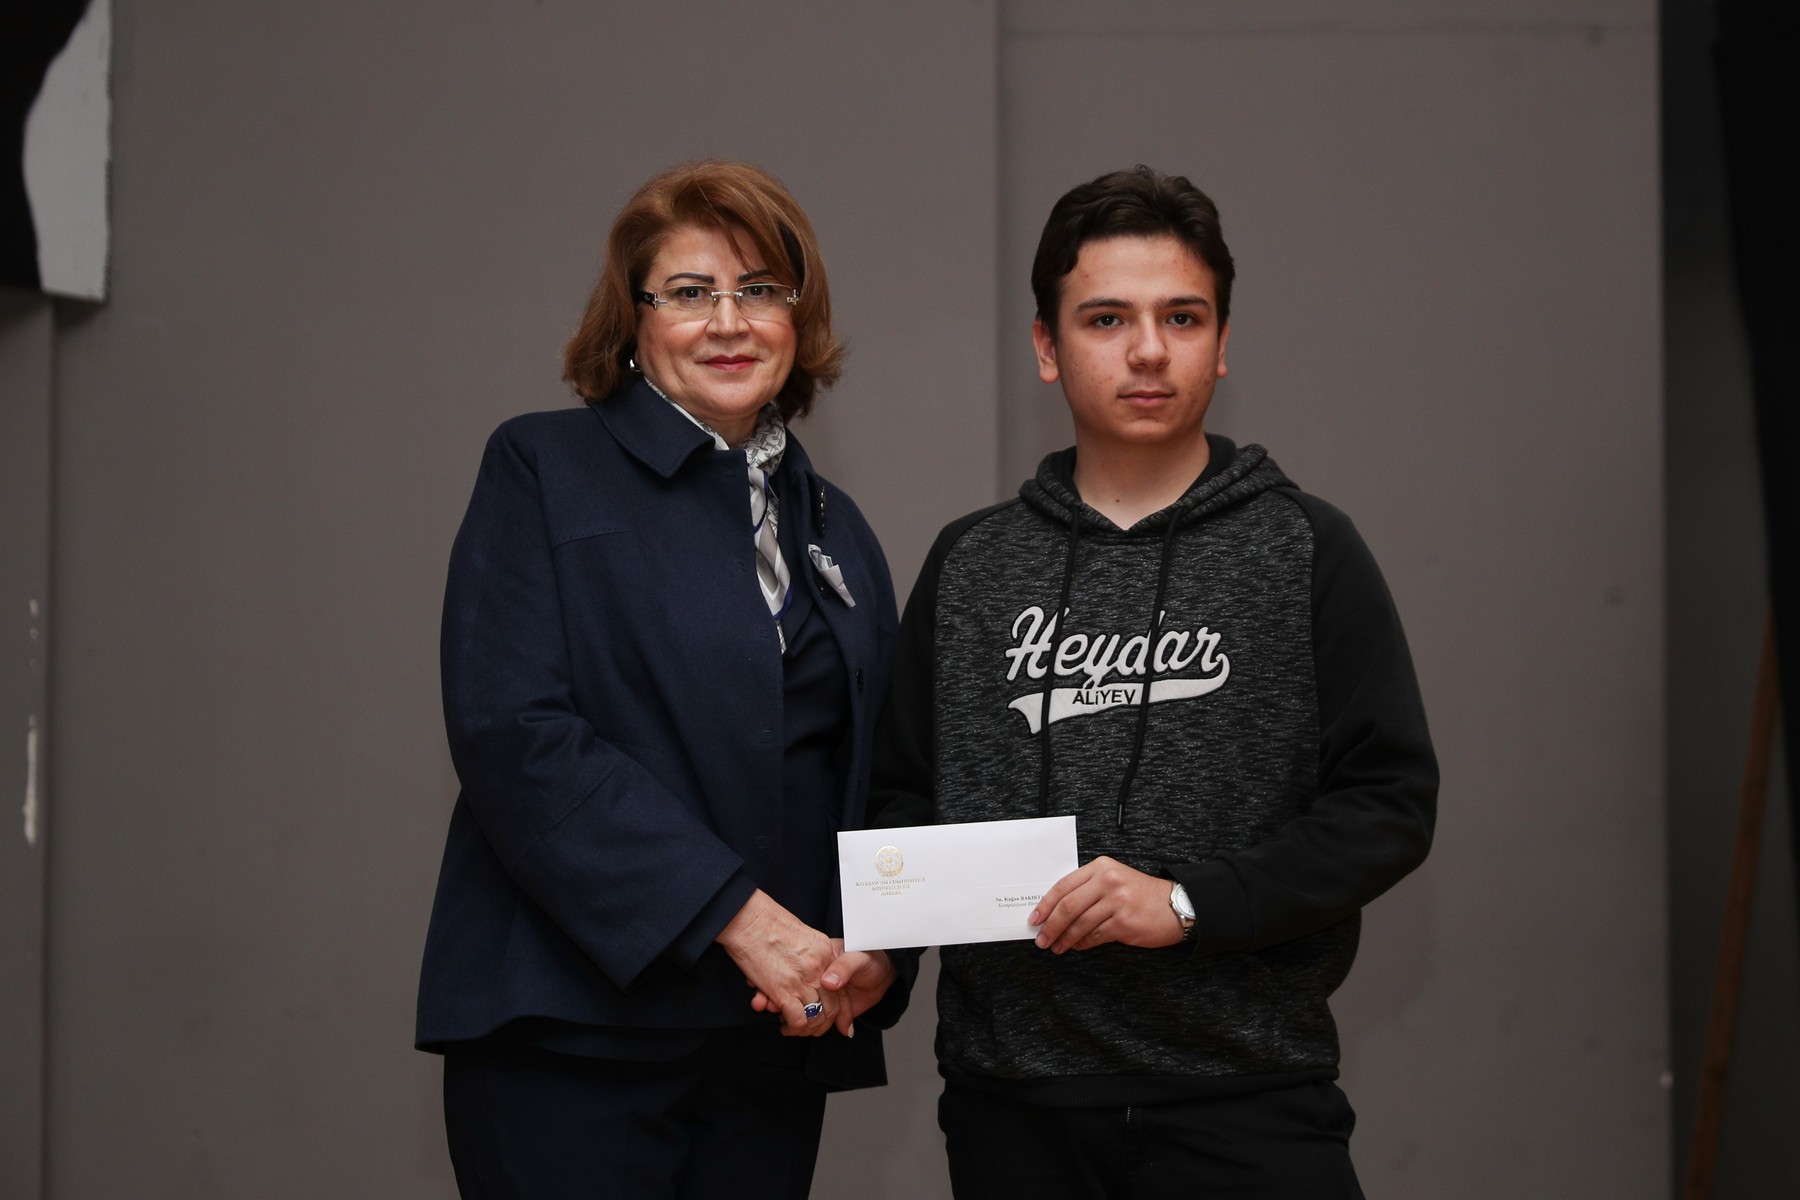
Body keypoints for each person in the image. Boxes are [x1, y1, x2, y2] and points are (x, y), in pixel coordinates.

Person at [869, 166, 1438, 1197]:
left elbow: (1387, 806)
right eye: (1106, 319)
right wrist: (875, 963)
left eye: (1182, 317)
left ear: (1221, 343)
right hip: (1014, 1107)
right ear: (1047, 347)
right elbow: (903, 801)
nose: (1147, 350)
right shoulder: (971, 564)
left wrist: (1184, 903)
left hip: (1250, 1099)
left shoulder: (1306, 548)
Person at [416, 160, 910, 1200]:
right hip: (573, 1032)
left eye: (760, 289)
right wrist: (741, 920)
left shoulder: (838, 526)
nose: (728, 321)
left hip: (766, 1047)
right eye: (689, 292)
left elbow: (872, 771)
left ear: (797, 317)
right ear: (634, 321)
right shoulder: (543, 469)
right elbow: (515, 733)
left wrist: (877, 948)